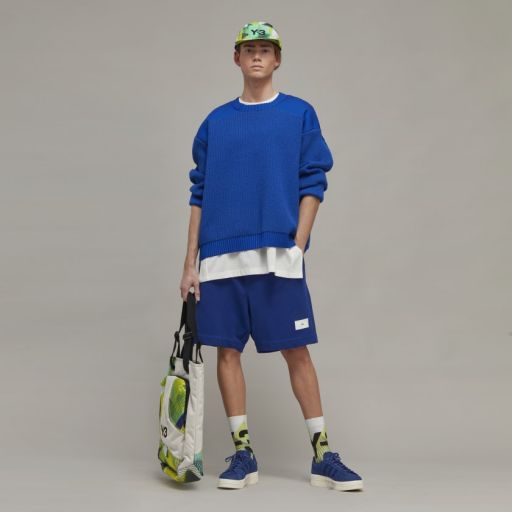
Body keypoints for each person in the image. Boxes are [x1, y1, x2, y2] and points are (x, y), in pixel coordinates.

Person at [179, 20, 363, 492]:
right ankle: (243, 454)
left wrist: (298, 243)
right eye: (249, 50)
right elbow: (199, 193)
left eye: (265, 49)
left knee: (296, 352)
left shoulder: (299, 114)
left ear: (277, 59)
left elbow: (313, 180)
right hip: (219, 258)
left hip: (278, 256)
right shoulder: (215, 123)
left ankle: (323, 455)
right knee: (227, 352)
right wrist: (189, 264)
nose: (257, 56)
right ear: (236, 59)